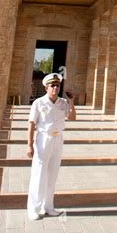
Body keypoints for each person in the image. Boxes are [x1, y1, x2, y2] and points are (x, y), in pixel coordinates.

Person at [26, 72, 76, 220]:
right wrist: (29, 145)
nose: (55, 88)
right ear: (46, 87)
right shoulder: (39, 103)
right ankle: (33, 208)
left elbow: (72, 117)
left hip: (58, 139)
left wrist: (71, 102)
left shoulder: (62, 103)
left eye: (57, 85)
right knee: (39, 173)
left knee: (52, 174)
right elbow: (31, 124)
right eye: (52, 85)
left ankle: (48, 206)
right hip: (43, 139)